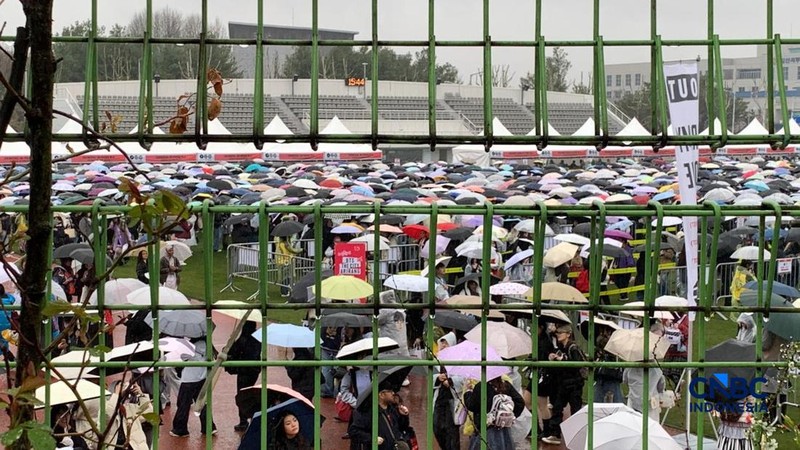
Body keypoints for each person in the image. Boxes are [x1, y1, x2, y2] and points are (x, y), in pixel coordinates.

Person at [542, 325, 586, 446]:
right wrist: (555, 358)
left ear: (568, 334)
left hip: (574, 385)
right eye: (557, 333)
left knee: (575, 410)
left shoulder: (573, 347)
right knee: (557, 408)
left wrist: (563, 360)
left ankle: (577, 435)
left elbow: (578, 365)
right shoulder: (562, 347)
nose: (558, 334)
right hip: (565, 384)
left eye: (561, 332)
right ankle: (555, 434)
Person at [170, 336, 216, 437]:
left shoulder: (190, 346)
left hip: (189, 378)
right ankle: (209, 427)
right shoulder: (207, 344)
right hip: (203, 377)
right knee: (202, 403)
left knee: (183, 404)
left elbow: (182, 357)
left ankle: (180, 429)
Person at [464, 375, 525, 450]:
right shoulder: (505, 385)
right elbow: (520, 402)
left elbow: (472, 405)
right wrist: (510, 416)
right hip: (504, 429)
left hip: (485, 429)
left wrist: (468, 392)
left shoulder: (481, 386)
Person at [348, 381, 411, 450]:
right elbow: (354, 431)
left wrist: (404, 416)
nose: (393, 393)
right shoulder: (367, 411)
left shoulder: (393, 408)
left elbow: (402, 427)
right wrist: (372, 439)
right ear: (381, 395)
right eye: (390, 391)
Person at [622, 324, 667, 420]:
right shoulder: (655, 367)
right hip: (649, 403)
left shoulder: (631, 365)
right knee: (650, 429)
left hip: (635, 401)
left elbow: (625, 380)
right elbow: (661, 384)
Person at [227, 321, 262, 432]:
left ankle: (243, 421)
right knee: (249, 393)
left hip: (244, 370)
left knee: (241, 395)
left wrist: (232, 342)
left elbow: (233, 351)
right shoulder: (257, 338)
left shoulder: (243, 338)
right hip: (254, 370)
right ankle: (250, 418)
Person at [432, 333, 462, 450]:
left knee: (451, 431)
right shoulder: (436, 359)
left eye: (446, 343)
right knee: (437, 427)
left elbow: (463, 379)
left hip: (452, 399)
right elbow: (431, 377)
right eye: (442, 342)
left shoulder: (459, 360)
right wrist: (438, 379)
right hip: (440, 398)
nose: (444, 345)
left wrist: (450, 381)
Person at [0, 285, 15, 353]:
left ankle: (7, 355)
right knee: (4, 341)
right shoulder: (9, 300)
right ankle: (8, 355)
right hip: (7, 325)